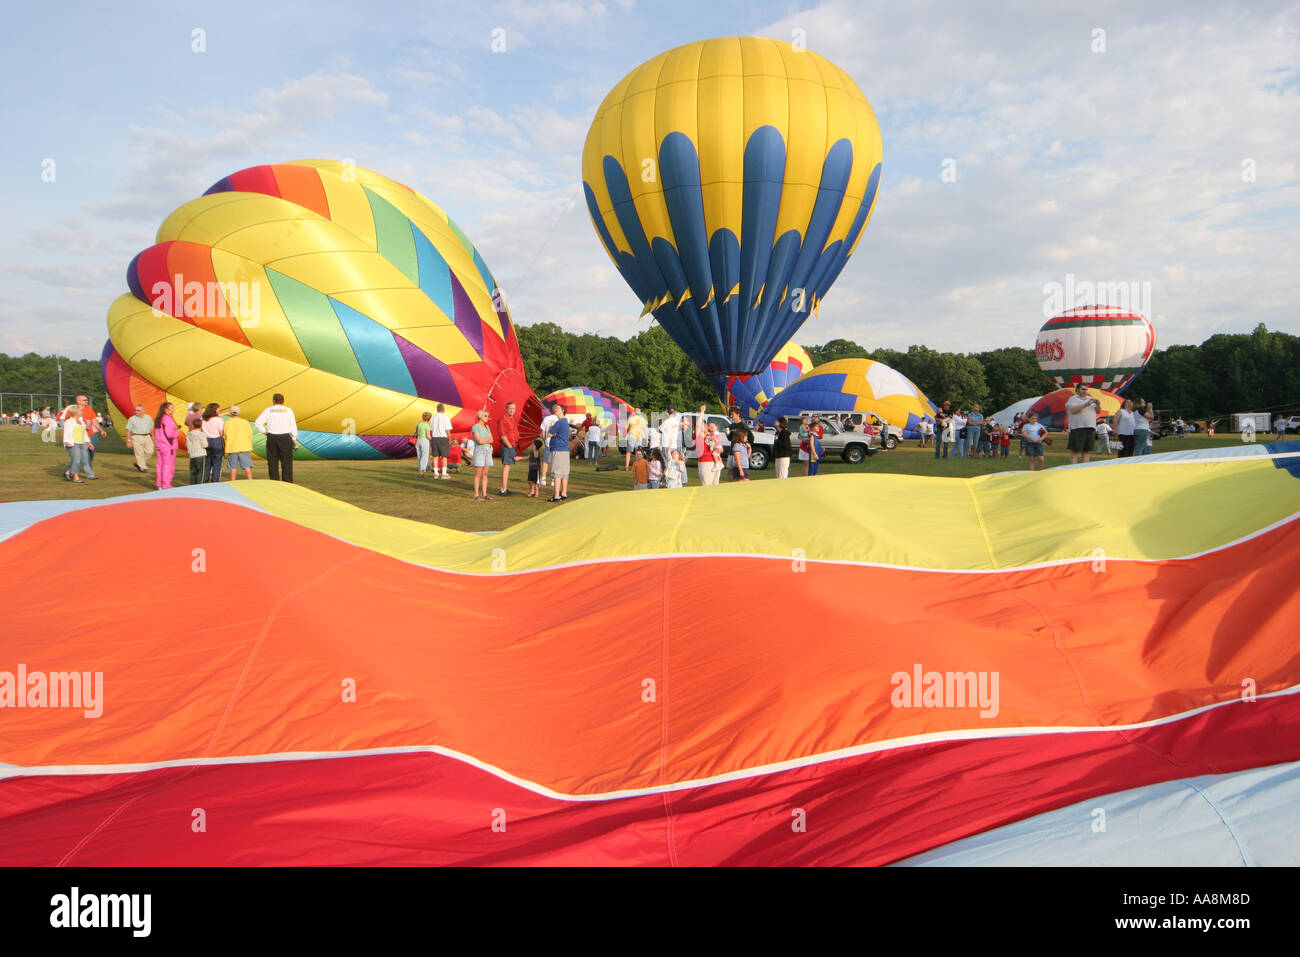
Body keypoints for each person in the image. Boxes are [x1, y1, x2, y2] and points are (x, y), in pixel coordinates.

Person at [255, 393, 298, 482]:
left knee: (272, 461)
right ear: (283, 401)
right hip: (285, 437)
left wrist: (265, 432)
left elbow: (257, 423)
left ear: (273, 401)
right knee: (286, 462)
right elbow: (293, 425)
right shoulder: (288, 410)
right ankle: (288, 482)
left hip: (272, 437)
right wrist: (294, 438)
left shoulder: (268, 410)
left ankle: (274, 482)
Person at [1064, 382, 1101, 465]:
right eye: (1083, 389)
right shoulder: (1073, 399)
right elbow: (1073, 410)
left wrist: (1098, 404)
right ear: (1077, 390)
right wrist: (1086, 404)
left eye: (1086, 389)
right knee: (1075, 451)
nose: (1085, 391)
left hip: (1090, 427)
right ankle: (1072, 470)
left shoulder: (1090, 399)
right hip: (1078, 427)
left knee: (1086, 451)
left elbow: (1098, 411)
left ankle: (1084, 470)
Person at [695, 405, 725, 485]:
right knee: (707, 485)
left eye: (705, 425)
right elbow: (698, 425)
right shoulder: (698, 436)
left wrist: (719, 451)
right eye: (703, 425)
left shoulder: (710, 435)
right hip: (705, 462)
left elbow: (718, 446)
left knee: (715, 485)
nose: (705, 427)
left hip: (715, 462)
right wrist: (702, 412)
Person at [546, 407, 571, 501]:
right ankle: (564, 493)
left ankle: (556, 496)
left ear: (563, 410)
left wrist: (552, 429)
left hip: (558, 449)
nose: (556, 409)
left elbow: (549, 434)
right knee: (564, 473)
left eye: (558, 408)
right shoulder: (565, 422)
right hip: (565, 449)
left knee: (557, 473)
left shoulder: (559, 422)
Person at [224, 406, 255, 480]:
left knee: (233, 467)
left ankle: (233, 481)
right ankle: (250, 481)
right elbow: (250, 434)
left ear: (230, 413)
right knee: (247, 466)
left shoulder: (227, 423)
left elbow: (225, 434)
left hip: (232, 447)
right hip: (244, 446)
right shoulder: (245, 422)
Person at [153, 403, 179, 490]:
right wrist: (177, 432)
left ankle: (160, 484)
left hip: (160, 445)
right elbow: (169, 434)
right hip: (168, 446)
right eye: (171, 408)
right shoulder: (167, 419)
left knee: (160, 465)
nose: (173, 409)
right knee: (168, 466)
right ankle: (166, 484)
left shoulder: (159, 419)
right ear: (166, 410)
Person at [61, 405, 89, 483]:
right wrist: (66, 442)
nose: (82, 412)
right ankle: (76, 477)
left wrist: (88, 442)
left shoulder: (82, 421)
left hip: (82, 443)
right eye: (80, 411)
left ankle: (68, 471)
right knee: (76, 460)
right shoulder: (68, 422)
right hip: (73, 443)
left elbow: (84, 433)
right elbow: (66, 432)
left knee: (84, 460)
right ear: (76, 412)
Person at [470, 409, 494, 501]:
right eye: (486, 416)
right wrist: (487, 440)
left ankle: (484, 494)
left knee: (485, 473)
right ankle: (476, 495)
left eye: (487, 416)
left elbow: (492, 439)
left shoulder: (487, 427)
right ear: (480, 417)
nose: (487, 418)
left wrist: (486, 440)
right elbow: (479, 441)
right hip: (479, 451)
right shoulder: (475, 428)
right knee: (478, 474)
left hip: (488, 450)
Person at [124, 404, 154, 472]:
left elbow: (151, 428)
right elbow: (128, 430)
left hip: (147, 436)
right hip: (136, 436)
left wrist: (153, 437)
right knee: (139, 453)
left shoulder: (148, 417)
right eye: (135, 410)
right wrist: (129, 440)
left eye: (138, 410)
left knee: (150, 451)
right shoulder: (131, 419)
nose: (136, 412)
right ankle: (142, 467)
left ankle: (139, 463)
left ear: (143, 411)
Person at [200, 403, 225, 482]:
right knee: (217, 462)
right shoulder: (219, 420)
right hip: (216, 441)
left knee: (207, 463)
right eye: (218, 409)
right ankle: (215, 480)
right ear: (215, 410)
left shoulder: (203, 419)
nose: (219, 410)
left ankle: (204, 480)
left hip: (206, 440)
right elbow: (221, 433)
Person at [497, 401, 518, 495]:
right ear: (506, 408)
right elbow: (502, 435)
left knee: (508, 467)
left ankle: (504, 488)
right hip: (507, 446)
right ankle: (503, 489)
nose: (512, 410)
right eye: (510, 408)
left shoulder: (512, 418)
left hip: (512, 445)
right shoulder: (503, 419)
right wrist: (509, 447)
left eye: (514, 408)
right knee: (506, 467)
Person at [427, 403, 453, 478]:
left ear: (437, 409)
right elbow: (447, 430)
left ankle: (436, 474)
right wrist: (449, 438)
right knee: (444, 456)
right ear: (443, 409)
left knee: (435, 456)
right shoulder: (445, 417)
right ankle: (444, 474)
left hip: (435, 438)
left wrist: (432, 437)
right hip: (443, 438)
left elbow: (431, 430)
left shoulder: (433, 418)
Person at [538, 404, 559, 487]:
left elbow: (542, 433)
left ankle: (543, 479)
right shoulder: (558, 419)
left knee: (546, 461)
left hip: (548, 443)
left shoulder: (546, 419)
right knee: (555, 462)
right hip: (556, 443)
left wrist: (545, 439)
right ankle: (553, 480)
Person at [186, 419, 207, 485]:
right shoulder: (201, 434)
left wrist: (189, 451)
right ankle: (199, 485)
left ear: (193, 425)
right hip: (200, 454)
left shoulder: (189, 434)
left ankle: (192, 485)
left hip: (192, 455)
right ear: (201, 425)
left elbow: (187, 444)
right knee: (201, 472)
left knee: (193, 472)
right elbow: (205, 445)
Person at [414, 411, 433, 475]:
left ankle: (420, 469)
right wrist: (432, 439)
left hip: (418, 441)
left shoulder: (418, 423)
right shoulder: (427, 425)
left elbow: (415, 432)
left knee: (419, 456)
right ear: (429, 418)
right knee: (424, 456)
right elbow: (428, 436)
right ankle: (422, 471)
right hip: (424, 441)